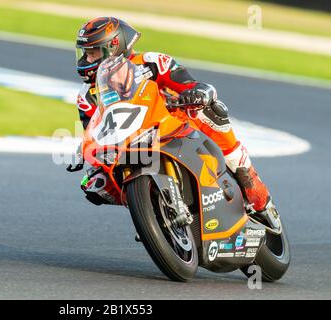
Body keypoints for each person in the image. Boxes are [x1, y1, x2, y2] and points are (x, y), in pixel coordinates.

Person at [72, 17, 271, 214]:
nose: (86, 60)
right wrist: (86, 150)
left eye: (93, 53)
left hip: (173, 124)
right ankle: (152, 211)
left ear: (114, 47)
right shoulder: (86, 96)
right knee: (94, 183)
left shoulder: (150, 62)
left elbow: (188, 83)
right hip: (130, 145)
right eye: (85, 53)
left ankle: (246, 174)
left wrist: (197, 93)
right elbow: (95, 131)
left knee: (209, 110)